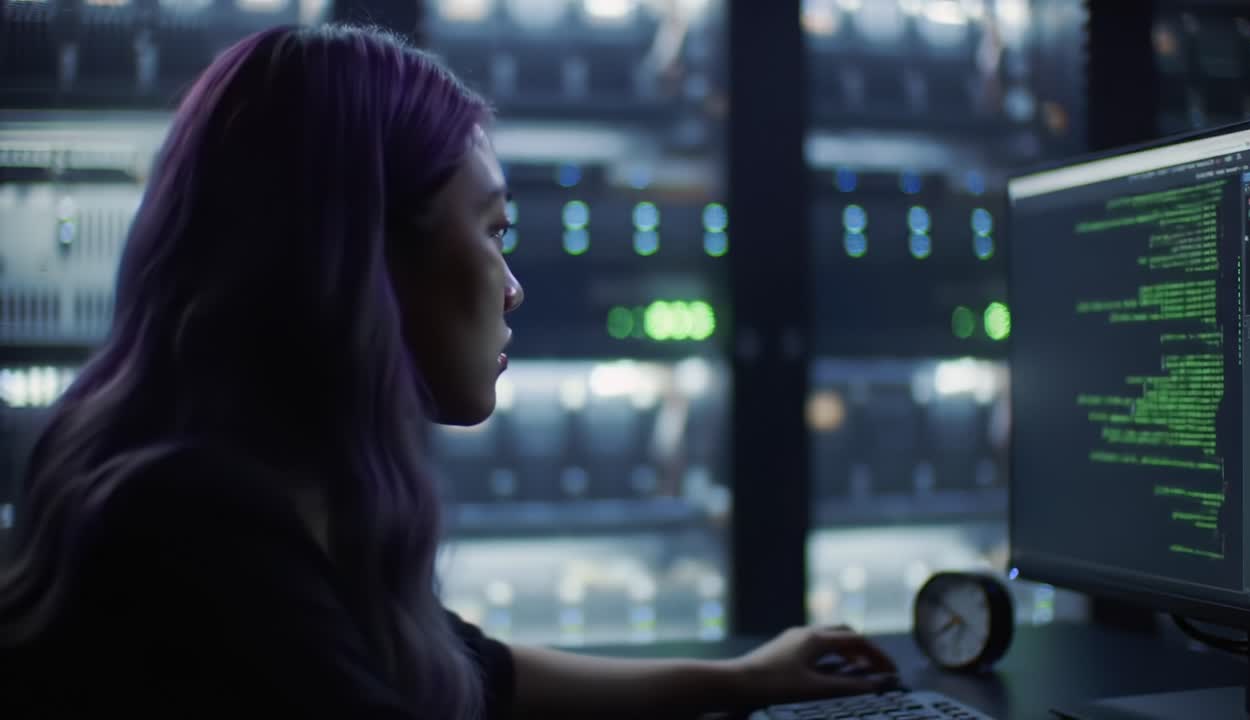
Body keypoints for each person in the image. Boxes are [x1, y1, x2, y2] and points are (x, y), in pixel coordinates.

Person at [0, 24, 896, 719]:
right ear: (361, 256)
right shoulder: (199, 531)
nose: (512, 287)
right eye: (493, 230)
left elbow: (471, 670)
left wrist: (739, 680)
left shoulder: (244, 479)